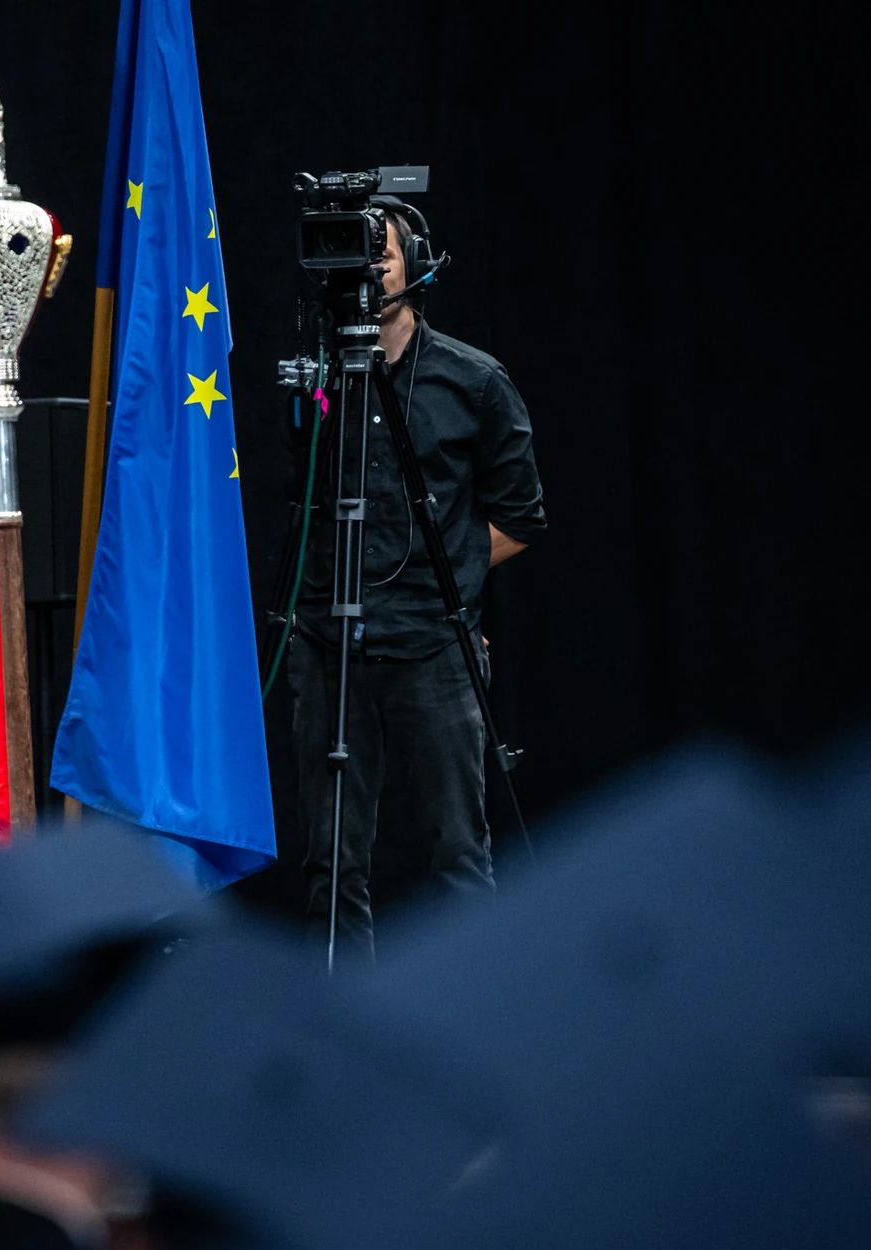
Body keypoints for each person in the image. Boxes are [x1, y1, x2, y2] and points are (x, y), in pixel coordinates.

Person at [288, 198, 548, 958]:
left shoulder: (473, 381)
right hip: (326, 643)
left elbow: (523, 518)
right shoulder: (317, 379)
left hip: (433, 648)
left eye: (382, 251)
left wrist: (450, 578)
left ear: (417, 263)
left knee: (459, 858)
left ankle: (477, 1021)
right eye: (353, 253)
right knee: (331, 865)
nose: (368, 266)